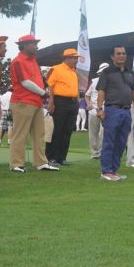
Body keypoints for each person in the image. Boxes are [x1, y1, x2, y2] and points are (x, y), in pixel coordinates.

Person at [8, 35, 59, 172]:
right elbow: (25, 82)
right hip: (22, 101)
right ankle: (16, 164)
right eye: (34, 44)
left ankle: (41, 162)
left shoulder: (33, 61)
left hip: (35, 101)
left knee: (39, 133)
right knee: (21, 134)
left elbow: (37, 80)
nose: (37, 46)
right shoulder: (18, 61)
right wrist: (44, 93)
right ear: (24, 45)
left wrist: (45, 88)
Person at [96, 46, 134, 180]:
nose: (122, 55)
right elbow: (101, 91)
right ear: (112, 56)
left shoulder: (130, 72)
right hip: (112, 110)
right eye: (119, 53)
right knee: (109, 141)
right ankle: (106, 171)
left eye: (124, 53)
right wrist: (99, 108)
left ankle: (114, 170)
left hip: (126, 110)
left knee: (121, 142)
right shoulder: (107, 72)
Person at [45, 47, 82, 166]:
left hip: (72, 103)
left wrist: (77, 101)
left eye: (76, 58)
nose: (76, 60)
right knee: (57, 130)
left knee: (67, 131)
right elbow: (49, 86)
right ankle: (51, 157)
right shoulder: (55, 69)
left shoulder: (74, 72)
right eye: (74, 58)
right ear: (67, 58)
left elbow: (75, 88)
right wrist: (51, 101)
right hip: (60, 101)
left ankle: (62, 157)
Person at [84, 62, 108, 158]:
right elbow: (87, 95)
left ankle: (102, 152)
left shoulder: (111, 82)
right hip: (93, 110)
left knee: (103, 132)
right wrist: (89, 104)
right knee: (93, 133)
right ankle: (95, 153)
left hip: (106, 110)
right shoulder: (94, 81)